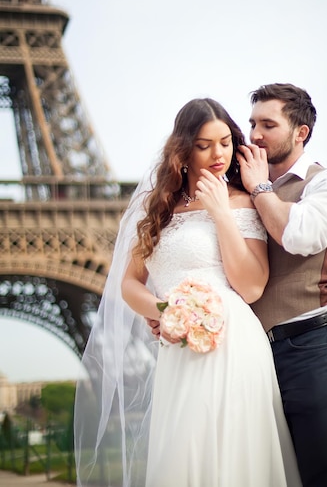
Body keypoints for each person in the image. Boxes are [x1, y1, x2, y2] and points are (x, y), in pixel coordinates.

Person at [74, 97, 301, 487]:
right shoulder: (156, 209)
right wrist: (167, 310)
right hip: (179, 345)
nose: (218, 154)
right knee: (184, 451)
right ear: (183, 150)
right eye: (204, 145)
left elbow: (250, 285)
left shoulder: (243, 202)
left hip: (232, 343)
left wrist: (219, 213)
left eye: (226, 142)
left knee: (232, 452)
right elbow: (129, 284)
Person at [237, 83, 327, 487]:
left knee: (325, 473)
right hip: (248, 353)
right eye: (252, 122)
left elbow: (297, 236)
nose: (254, 134)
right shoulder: (235, 191)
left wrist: (259, 189)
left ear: (300, 132)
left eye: (268, 124)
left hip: (312, 348)